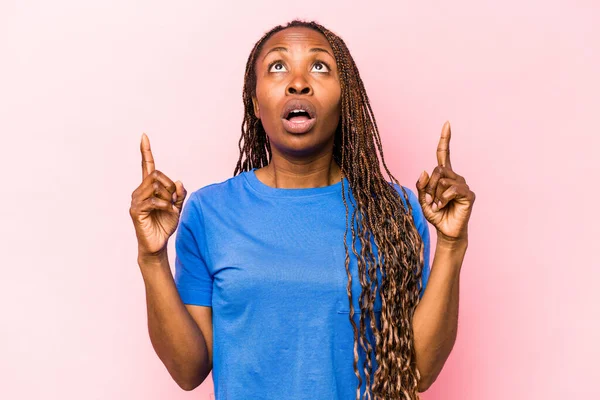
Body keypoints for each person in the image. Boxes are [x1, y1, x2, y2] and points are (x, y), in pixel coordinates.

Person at [129, 19, 475, 400]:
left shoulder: (394, 210)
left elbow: (419, 371)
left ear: (347, 99)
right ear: (256, 103)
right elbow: (188, 371)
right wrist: (152, 257)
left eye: (319, 66)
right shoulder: (210, 212)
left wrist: (452, 245)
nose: (298, 81)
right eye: (278, 67)